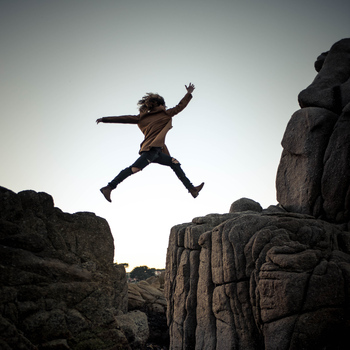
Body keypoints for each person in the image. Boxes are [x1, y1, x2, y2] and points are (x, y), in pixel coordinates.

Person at [96, 83, 204, 202]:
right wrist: (188, 93)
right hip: (151, 150)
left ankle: (192, 189)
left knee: (174, 163)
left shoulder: (141, 118)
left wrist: (104, 119)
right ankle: (109, 187)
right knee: (134, 168)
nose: (165, 106)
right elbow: (180, 106)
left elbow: (123, 118)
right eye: (164, 104)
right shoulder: (165, 113)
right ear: (161, 104)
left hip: (157, 151)